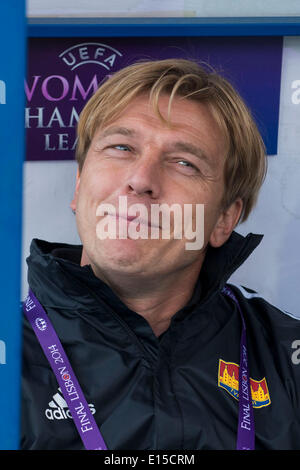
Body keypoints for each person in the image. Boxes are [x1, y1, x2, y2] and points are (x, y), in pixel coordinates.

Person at [21, 58, 300, 450]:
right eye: (121, 147)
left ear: (224, 219)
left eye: (184, 163)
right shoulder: (9, 355)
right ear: (79, 185)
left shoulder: (286, 356)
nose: (141, 180)